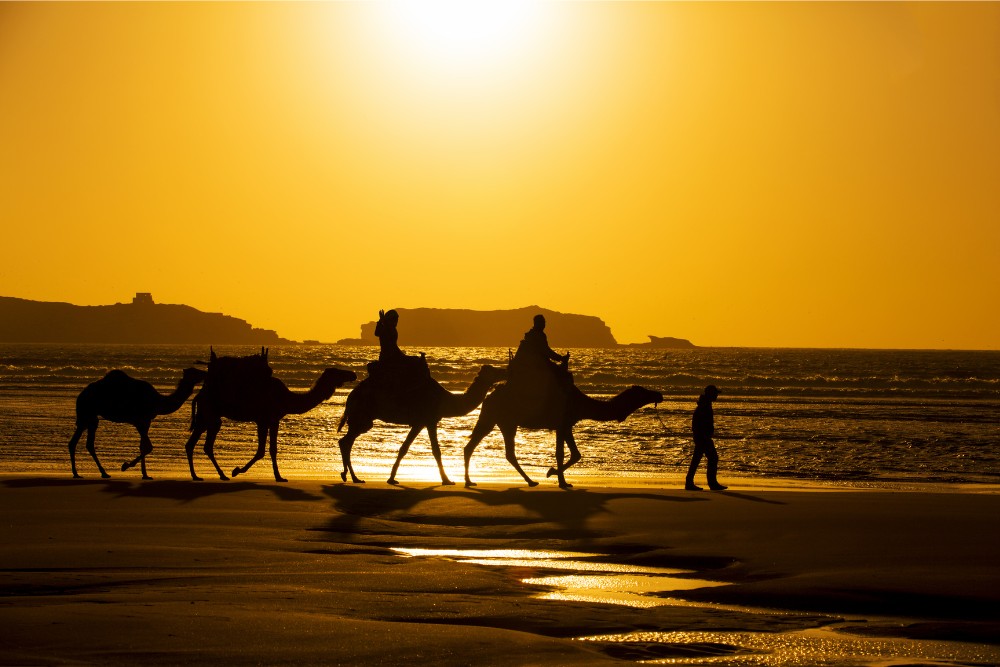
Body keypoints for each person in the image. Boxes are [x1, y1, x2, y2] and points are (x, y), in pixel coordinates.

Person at [685, 385, 727, 491]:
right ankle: (712, 483)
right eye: (715, 393)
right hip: (703, 437)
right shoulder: (705, 405)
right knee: (713, 458)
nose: (717, 395)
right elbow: (698, 422)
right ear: (710, 394)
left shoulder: (705, 404)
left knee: (697, 459)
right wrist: (703, 435)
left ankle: (690, 482)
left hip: (701, 436)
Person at [511, 314, 571, 384]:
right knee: (559, 371)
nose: (544, 324)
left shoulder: (531, 335)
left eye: (544, 322)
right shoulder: (538, 335)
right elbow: (547, 351)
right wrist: (561, 358)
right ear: (537, 323)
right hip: (535, 365)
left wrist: (560, 358)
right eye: (542, 322)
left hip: (533, 364)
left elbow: (546, 351)